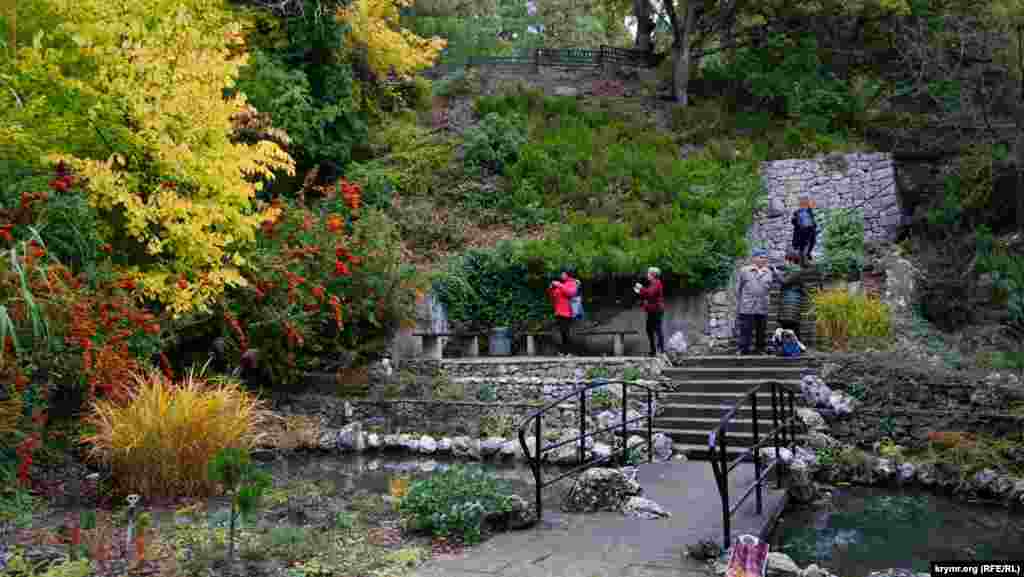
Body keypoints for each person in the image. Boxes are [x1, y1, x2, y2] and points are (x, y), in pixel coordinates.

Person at [736, 249, 782, 355]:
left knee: (761, 330)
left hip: (762, 305)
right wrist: (741, 301)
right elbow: (738, 288)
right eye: (761, 257)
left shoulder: (769, 272)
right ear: (754, 258)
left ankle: (760, 348)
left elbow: (770, 287)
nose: (763, 259)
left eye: (765, 257)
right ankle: (743, 348)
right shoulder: (744, 271)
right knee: (745, 329)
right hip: (747, 305)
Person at [634, 267, 665, 357]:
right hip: (652, 310)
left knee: (657, 329)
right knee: (650, 330)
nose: (647, 275)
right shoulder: (652, 283)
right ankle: (654, 350)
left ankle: (660, 350)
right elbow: (647, 295)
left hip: (657, 310)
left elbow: (650, 293)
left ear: (653, 275)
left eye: (648, 273)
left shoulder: (657, 283)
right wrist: (639, 291)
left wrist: (641, 288)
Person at [548, 271, 578, 356]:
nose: (561, 275)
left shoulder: (572, 283)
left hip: (568, 312)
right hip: (559, 311)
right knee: (562, 332)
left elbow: (571, 293)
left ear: (568, 274)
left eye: (563, 274)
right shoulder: (561, 284)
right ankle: (564, 351)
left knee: (566, 332)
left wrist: (559, 285)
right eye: (561, 274)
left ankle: (569, 351)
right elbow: (553, 296)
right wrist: (551, 288)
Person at [791, 196, 818, 267]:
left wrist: (813, 226)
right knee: (802, 248)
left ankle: (807, 259)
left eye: (805, 201)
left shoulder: (810, 211)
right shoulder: (797, 212)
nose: (804, 203)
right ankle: (804, 263)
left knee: (810, 244)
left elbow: (813, 221)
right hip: (801, 234)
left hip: (810, 232)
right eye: (802, 202)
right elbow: (794, 222)